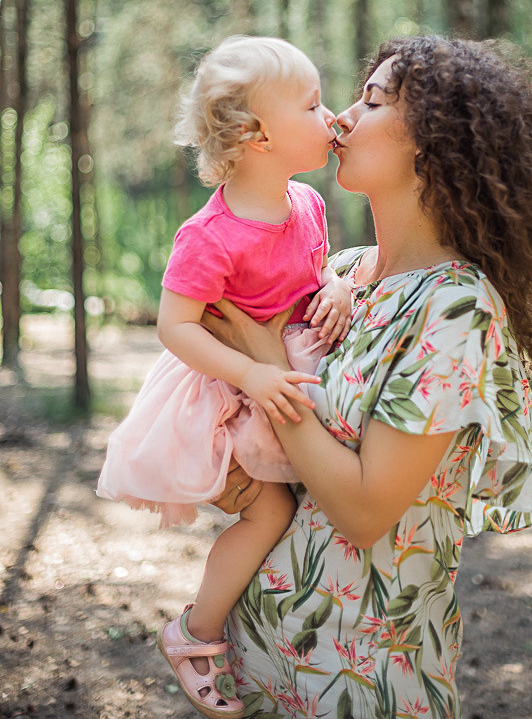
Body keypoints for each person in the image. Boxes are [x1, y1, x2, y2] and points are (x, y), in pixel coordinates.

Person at [193, 34, 532, 719]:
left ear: (434, 141)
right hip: (256, 653)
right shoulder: (341, 272)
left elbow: (362, 511)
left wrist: (266, 365)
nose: (341, 119)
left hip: (360, 681)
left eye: (371, 100)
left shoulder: (455, 307)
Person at [97, 36, 352, 719]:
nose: (330, 116)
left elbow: (312, 274)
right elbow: (175, 327)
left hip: (285, 374)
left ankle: (300, 634)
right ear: (255, 134)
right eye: (311, 103)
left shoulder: (307, 206)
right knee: (269, 508)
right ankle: (195, 633)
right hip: (223, 393)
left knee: (324, 493)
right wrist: (249, 371)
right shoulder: (209, 236)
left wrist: (336, 287)